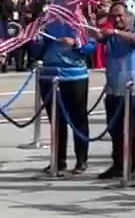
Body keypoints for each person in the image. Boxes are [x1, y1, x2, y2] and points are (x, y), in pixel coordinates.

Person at [93, 0, 135, 182]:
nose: (117, 19)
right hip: (113, 90)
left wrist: (115, 31)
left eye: (120, 16)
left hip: (132, 90)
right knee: (115, 130)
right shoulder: (109, 36)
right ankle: (118, 165)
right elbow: (95, 35)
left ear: (128, 16)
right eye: (113, 16)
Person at [35, 11, 95, 174]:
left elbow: (91, 47)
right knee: (56, 120)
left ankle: (81, 160)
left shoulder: (81, 21)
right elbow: (36, 52)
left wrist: (75, 43)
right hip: (49, 75)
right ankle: (58, 160)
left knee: (78, 119)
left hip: (75, 75)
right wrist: (37, 40)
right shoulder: (47, 21)